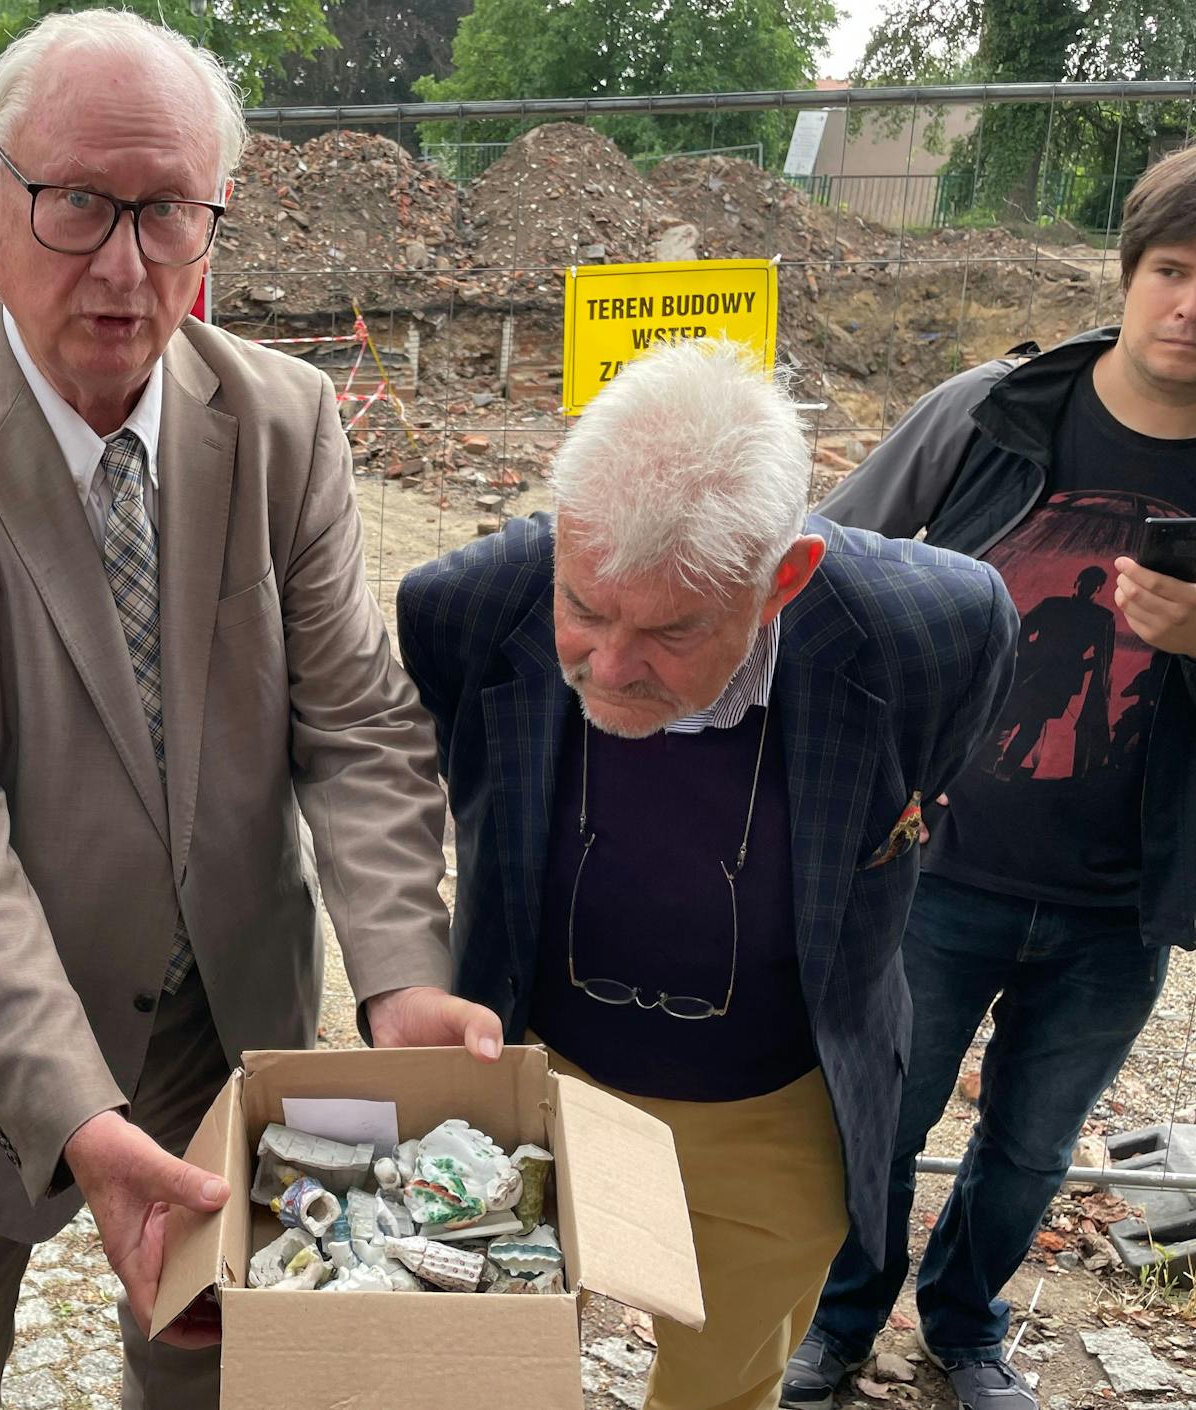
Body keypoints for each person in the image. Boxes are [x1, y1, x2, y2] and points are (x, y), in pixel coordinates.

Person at [0, 12, 502, 1407]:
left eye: (171, 212)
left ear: (214, 224)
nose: (126, 265)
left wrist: (399, 972)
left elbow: (357, 723)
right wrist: (74, 1111)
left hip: (220, 1017)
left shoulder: (288, 420)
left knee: (211, 1373)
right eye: (79, 204)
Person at [397, 338, 1018, 1410]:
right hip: (539, 1073)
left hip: (774, 1101)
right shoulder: (460, 606)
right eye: (585, 608)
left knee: (727, 1382)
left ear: (783, 581)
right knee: (484, 1367)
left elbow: (928, 783)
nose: (609, 664)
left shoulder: (935, 630)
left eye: (673, 628)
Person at [783, 143, 1196, 1410]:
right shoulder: (989, 411)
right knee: (878, 1120)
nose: (1189, 307)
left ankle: (963, 1332)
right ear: (1125, 274)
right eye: (1171, 271)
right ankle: (835, 1327)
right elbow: (821, 565)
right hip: (930, 860)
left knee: (1026, 1149)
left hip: (1116, 899)